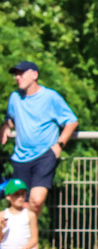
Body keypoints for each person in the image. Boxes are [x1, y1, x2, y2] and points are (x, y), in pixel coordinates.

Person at [1, 61, 78, 217]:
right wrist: (6, 126)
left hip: (44, 155)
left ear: (34, 75)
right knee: (20, 204)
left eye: (21, 73)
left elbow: (71, 121)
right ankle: (28, 240)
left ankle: (32, 239)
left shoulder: (50, 97)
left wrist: (59, 145)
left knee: (36, 201)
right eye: (16, 74)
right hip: (20, 158)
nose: (17, 77)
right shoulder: (15, 98)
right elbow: (11, 119)